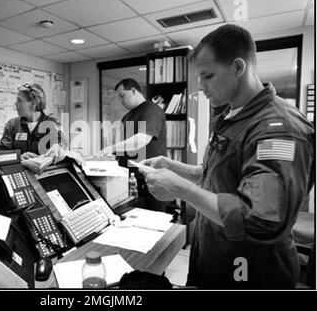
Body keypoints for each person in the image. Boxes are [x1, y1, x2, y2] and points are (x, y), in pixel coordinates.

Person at [139, 24, 315, 288]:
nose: (200, 86)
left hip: (250, 272)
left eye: (208, 76)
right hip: (213, 258)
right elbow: (212, 175)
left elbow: (258, 220)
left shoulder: (278, 128)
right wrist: (171, 165)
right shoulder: (229, 115)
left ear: (238, 67)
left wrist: (182, 190)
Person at [99, 78, 167, 212]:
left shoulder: (151, 111)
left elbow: (141, 140)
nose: (121, 101)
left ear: (134, 91)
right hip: (130, 180)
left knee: (152, 221)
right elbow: (124, 146)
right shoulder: (127, 116)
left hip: (149, 179)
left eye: (122, 95)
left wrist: (111, 148)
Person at [0, 83, 68, 163]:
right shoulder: (12, 125)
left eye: (19, 100)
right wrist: (18, 158)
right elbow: (1, 154)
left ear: (33, 104)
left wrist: (58, 147)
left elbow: (63, 145)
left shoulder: (53, 123)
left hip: (45, 174)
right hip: (20, 173)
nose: (15, 104)